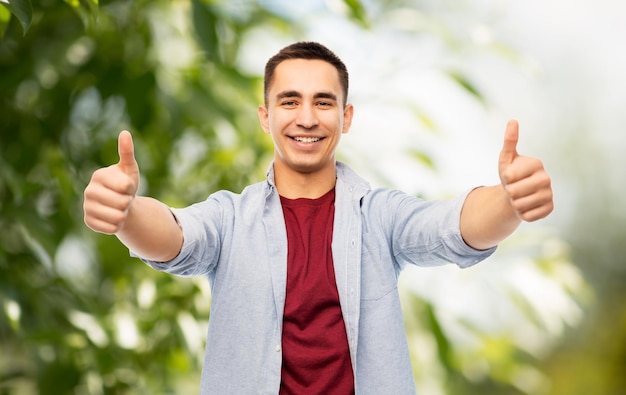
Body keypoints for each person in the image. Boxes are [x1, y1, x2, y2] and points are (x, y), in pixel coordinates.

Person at [83, 41, 553, 394]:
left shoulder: (380, 217)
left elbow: (451, 227)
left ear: (346, 117)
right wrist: (125, 212)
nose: (306, 118)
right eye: (290, 101)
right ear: (265, 117)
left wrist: (510, 200)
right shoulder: (230, 218)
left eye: (323, 102)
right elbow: (176, 237)